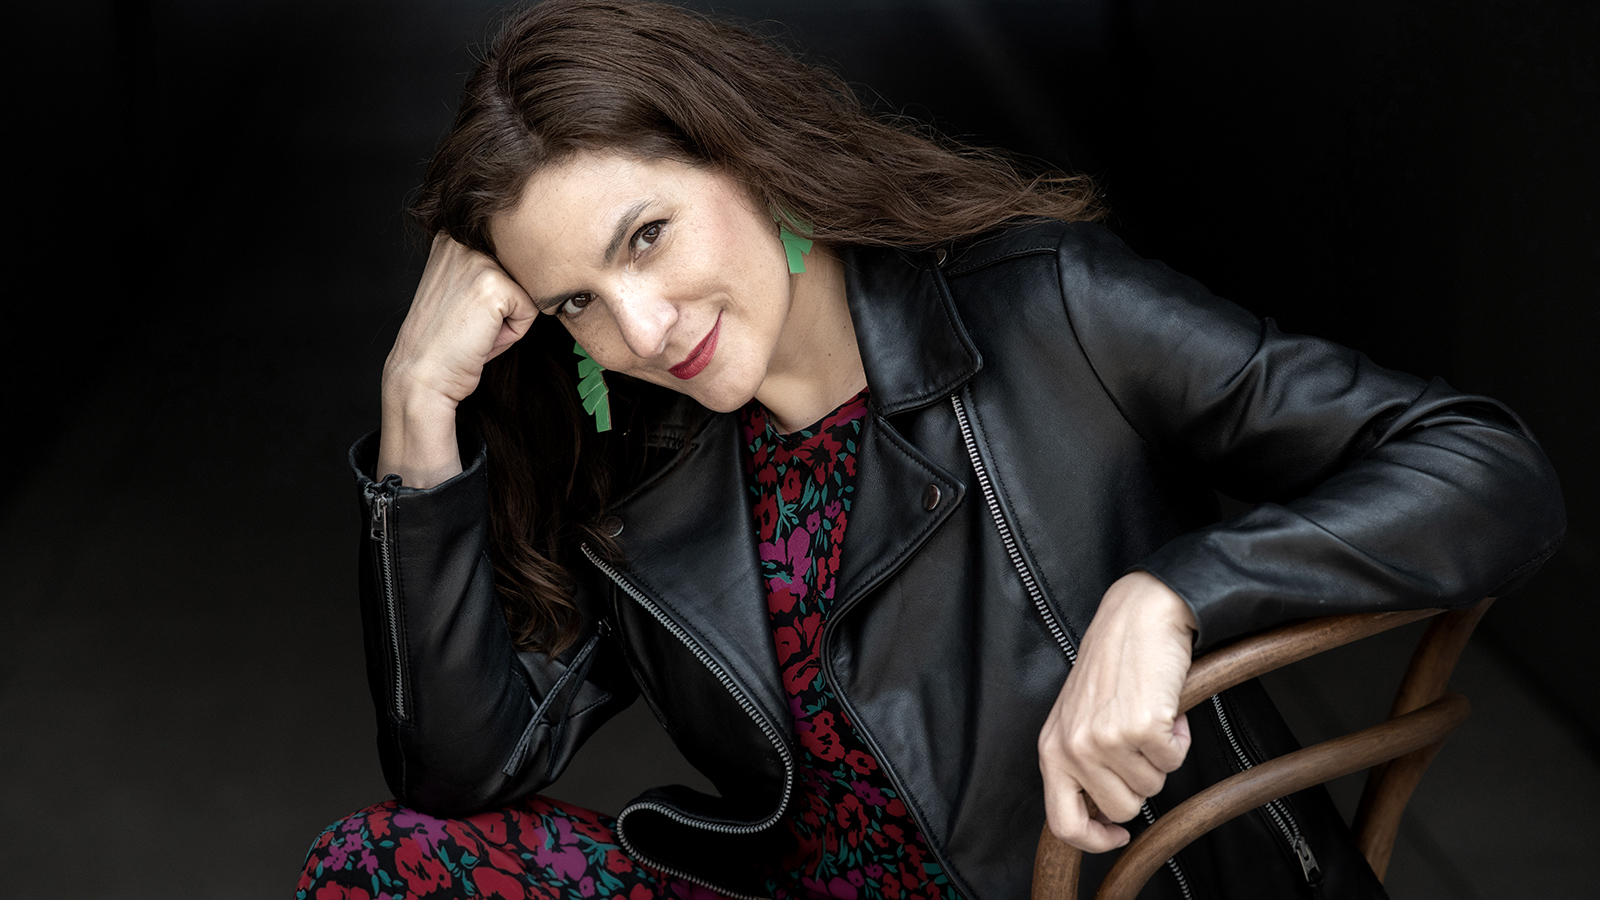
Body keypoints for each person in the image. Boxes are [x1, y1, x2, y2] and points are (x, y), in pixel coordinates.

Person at [298, 1, 1565, 898]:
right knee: (386, 865)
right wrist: (418, 403)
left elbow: (1483, 465)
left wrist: (1171, 595)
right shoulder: (639, 464)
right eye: (575, 300)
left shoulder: (1044, 311)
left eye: (646, 237)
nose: (640, 329)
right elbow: (460, 773)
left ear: (747, 160)